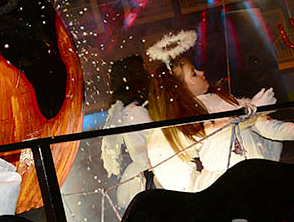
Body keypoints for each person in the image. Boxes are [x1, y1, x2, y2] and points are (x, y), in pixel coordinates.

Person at [145, 29, 293, 193]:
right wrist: (251, 111)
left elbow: (264, 126)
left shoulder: (225, 100)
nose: (201, 73)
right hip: (225, 186)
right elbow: (211, 131)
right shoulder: (189, 117)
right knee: (239, 219)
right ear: (181, 89)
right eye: (194, 74)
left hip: (257, 174)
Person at [100, 55, 157, 209]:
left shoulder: (128, 110)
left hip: (144, 171)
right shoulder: (135, 112)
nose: (149, 74)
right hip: (150, 172)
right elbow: (158, 140)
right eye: (144, 70)